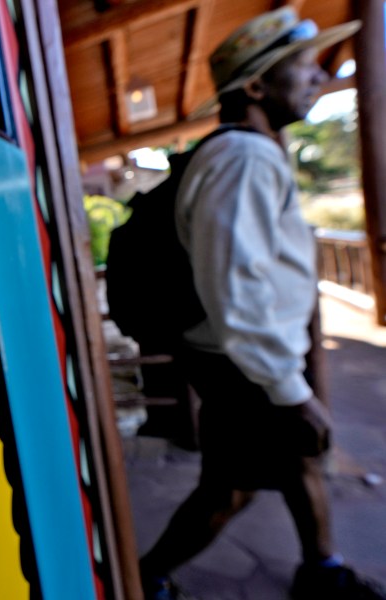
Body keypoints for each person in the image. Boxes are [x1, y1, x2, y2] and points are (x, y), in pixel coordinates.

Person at [139, 8, 386, 600]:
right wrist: (291, 390)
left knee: (295, 462)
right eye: (301, 68)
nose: (316, 79)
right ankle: (145, 575)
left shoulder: (247, 153)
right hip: (241, 363)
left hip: (245, 359)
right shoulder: (243, 159)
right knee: (230, 489)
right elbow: (236, 291)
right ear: (255, 86)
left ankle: (321, 570)